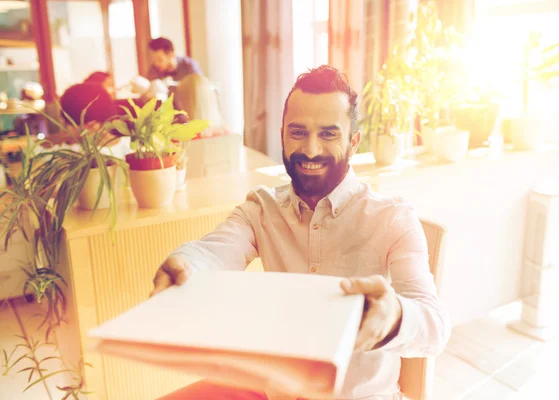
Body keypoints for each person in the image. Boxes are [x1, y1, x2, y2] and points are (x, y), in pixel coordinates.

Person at [151, 65, 451, 400]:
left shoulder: (392, 218)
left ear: (353, 143)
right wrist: (186, 266)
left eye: (328, 134)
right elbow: (214, 251)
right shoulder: (261, 208)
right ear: (282, 135)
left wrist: (394, 317)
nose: (310, 150)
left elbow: (434, 327)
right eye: (298, 132)